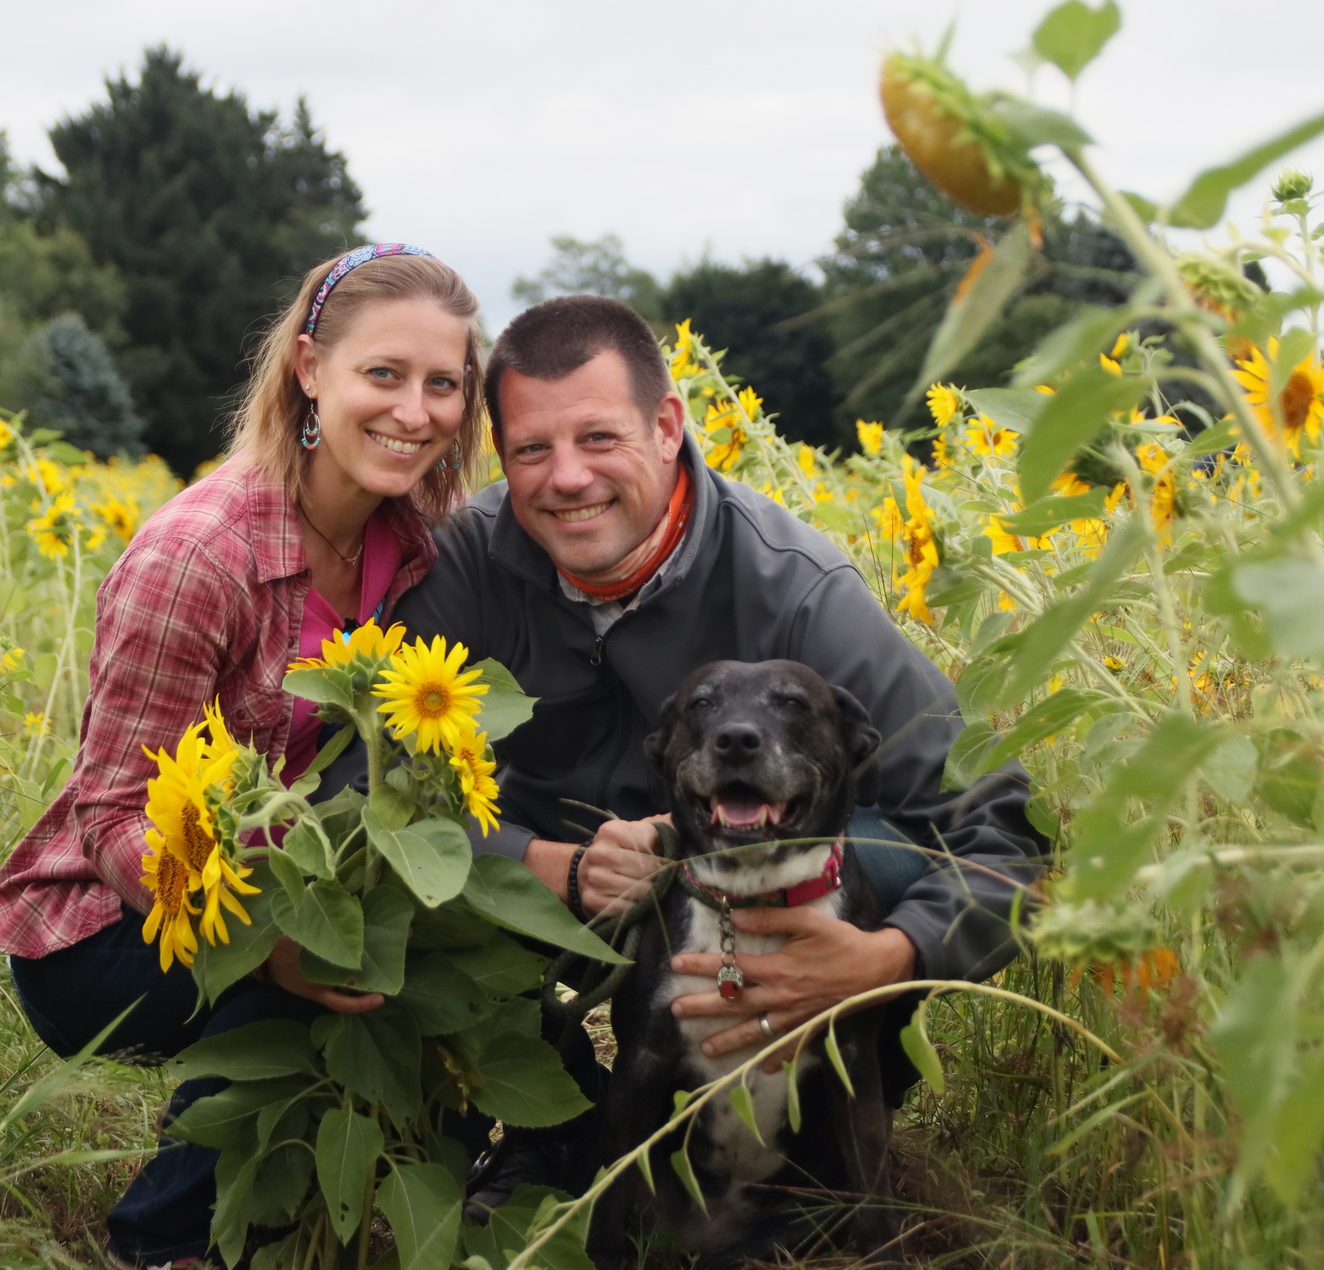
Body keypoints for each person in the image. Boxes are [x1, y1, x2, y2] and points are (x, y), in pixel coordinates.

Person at [391, 294, 1044, 1204]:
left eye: (598, 438)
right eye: (531, 450)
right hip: (551, 896)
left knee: (885, 858)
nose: (565, 477)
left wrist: (890, 954)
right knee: (401, 891)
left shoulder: (800, 589)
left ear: (667, 425)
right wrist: (542, 864)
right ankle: (548, 1130)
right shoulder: (463, 562)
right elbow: (369, 784)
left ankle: (832, 1105)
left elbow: (1003, 830)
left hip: (780, 890)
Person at [0, 244, 487, 1270]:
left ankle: (366, 1213)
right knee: (308, 977)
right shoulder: (197, 557)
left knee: (438, 964)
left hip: (291, 880)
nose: (415, 411)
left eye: (443, 384)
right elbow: (113, 811)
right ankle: (163, 1246)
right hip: (103, 927)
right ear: (310, 369)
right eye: (382, 375)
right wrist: (266, 936)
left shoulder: (423, 538)